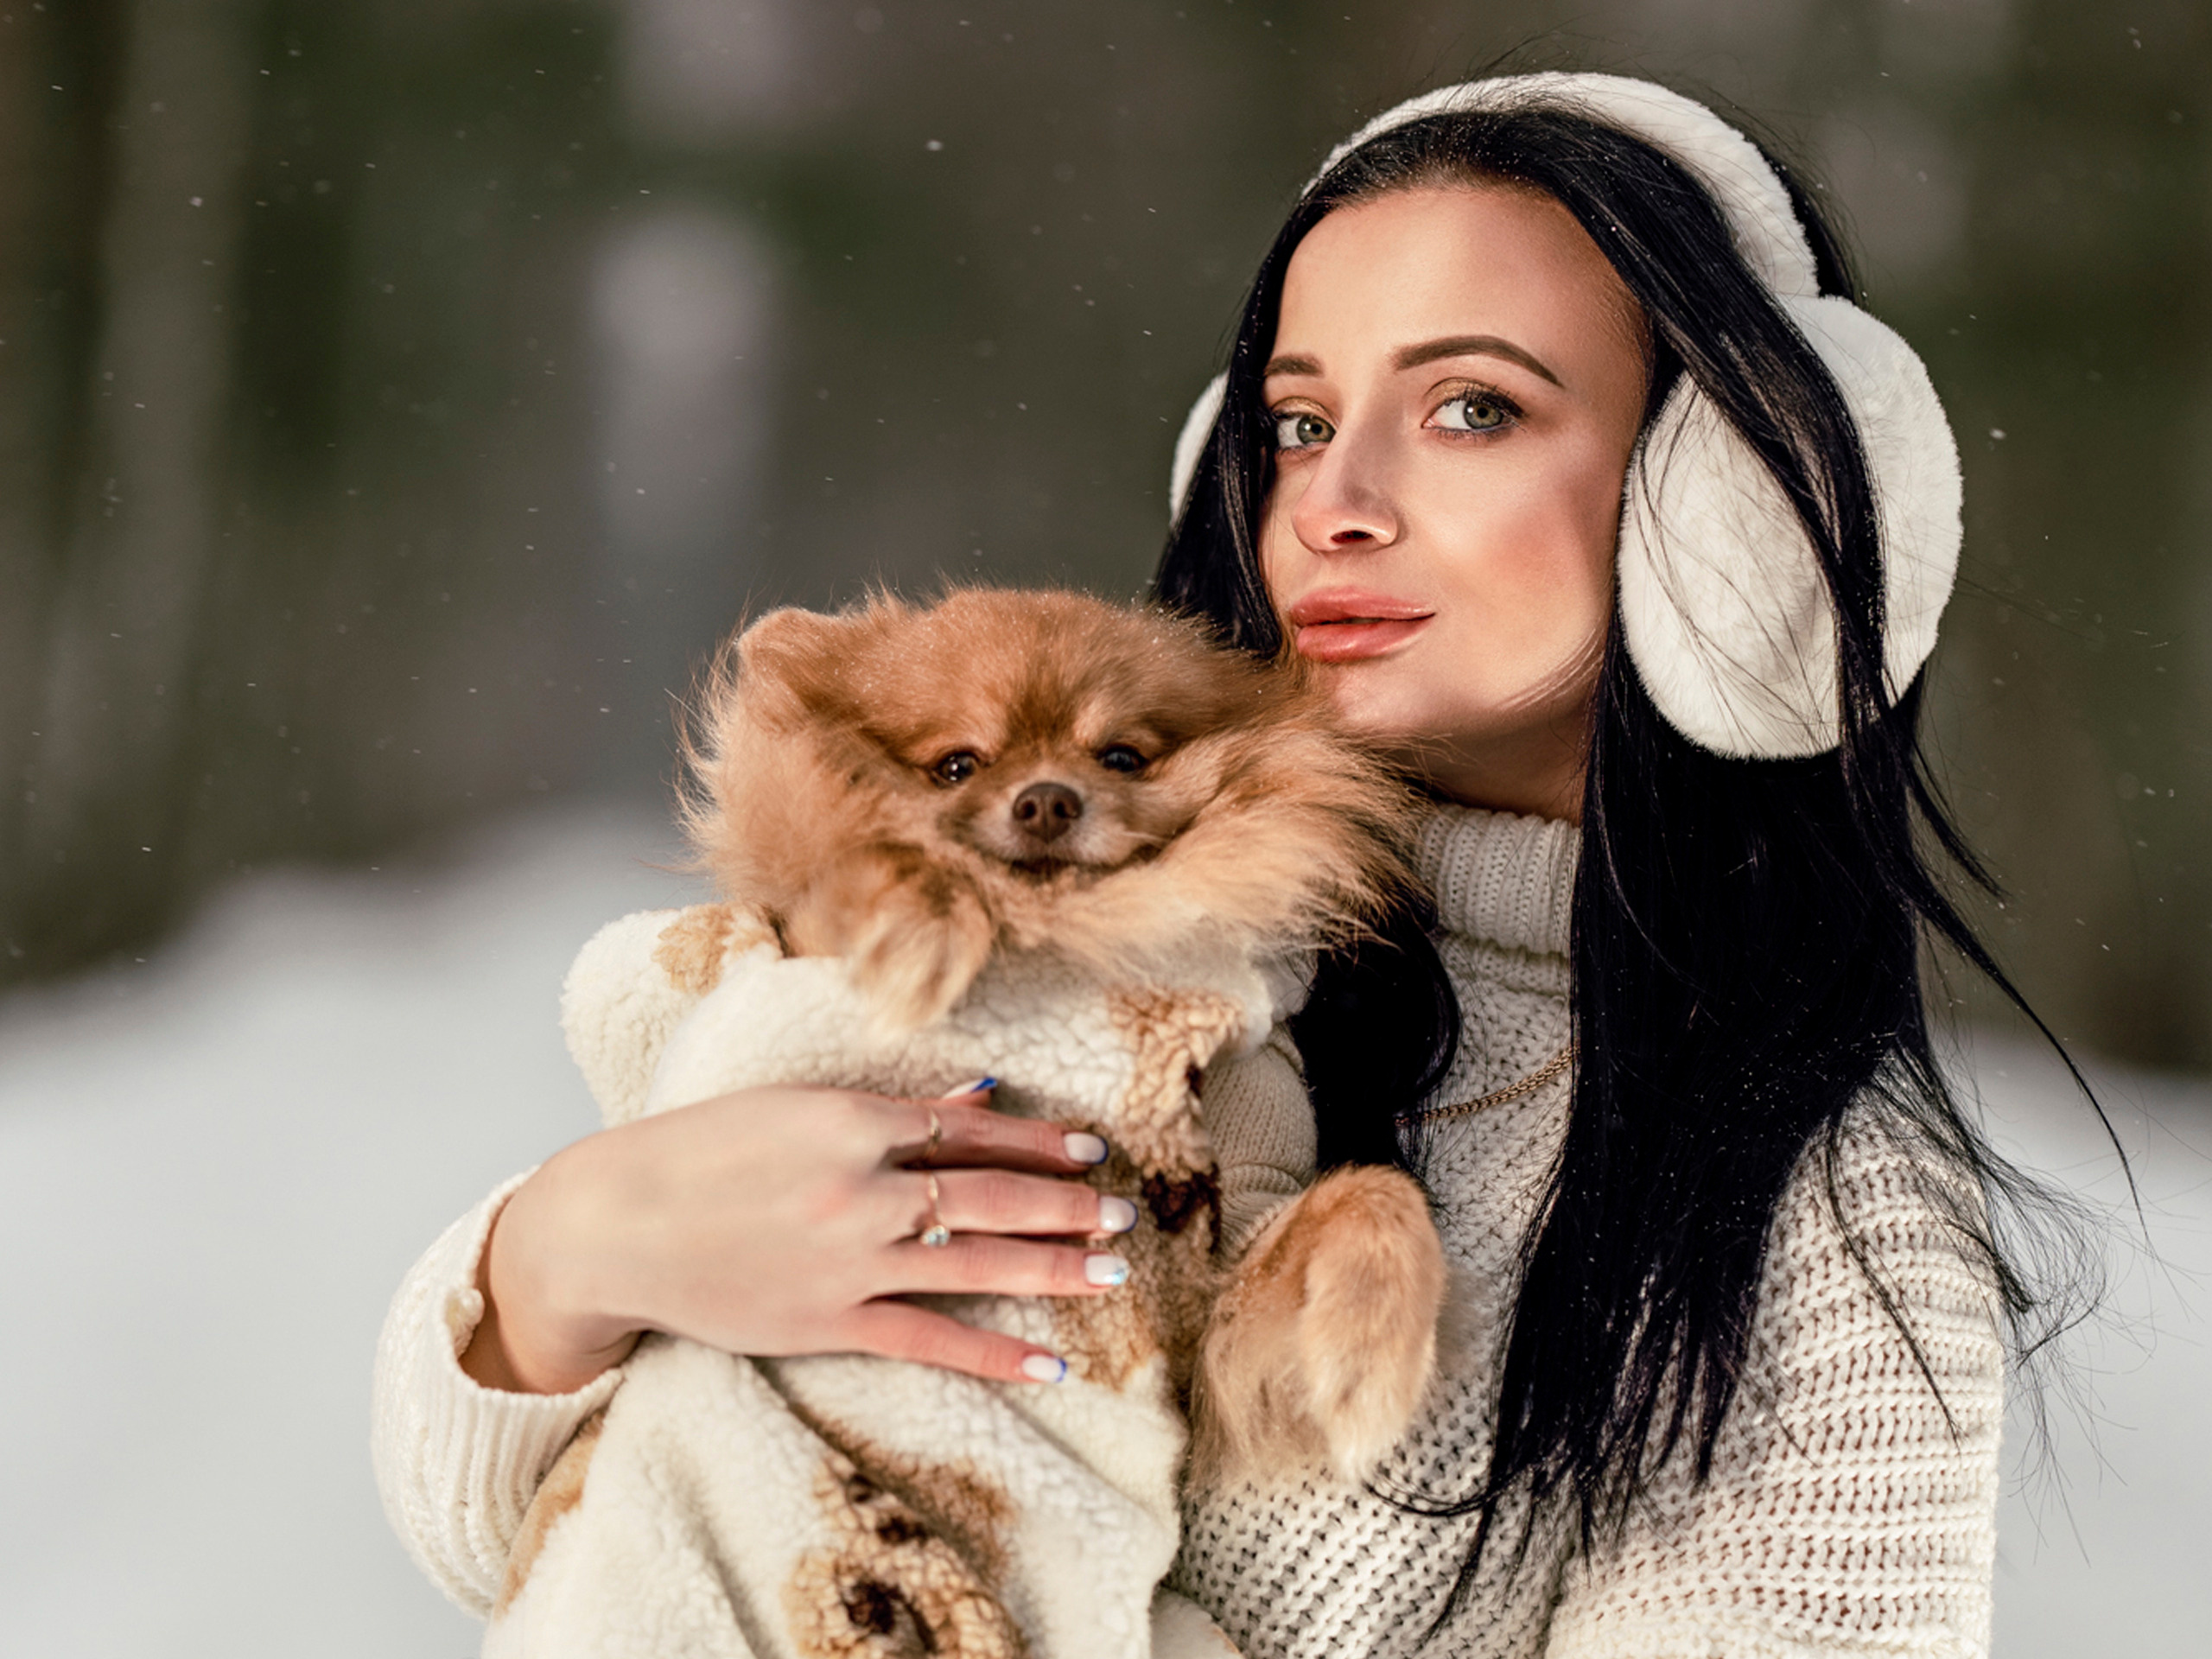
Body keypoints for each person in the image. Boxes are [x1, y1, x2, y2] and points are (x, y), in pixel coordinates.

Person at [376, 73, 2055, 1657]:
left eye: (1472, 408)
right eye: (1300, 423)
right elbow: (530, 1527)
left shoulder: (1831, 1222)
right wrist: (568, 1256)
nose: (1337, 502)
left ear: (1730, 497)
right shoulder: (1088, 913)